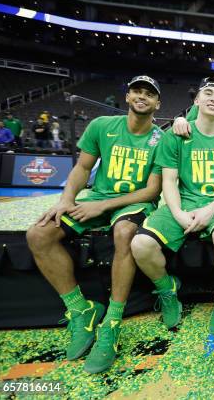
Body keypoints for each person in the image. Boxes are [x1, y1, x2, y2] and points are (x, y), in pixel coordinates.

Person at [25, 75, 164, 373]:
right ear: (127, 97)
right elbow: (83, 167)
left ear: (157, 103)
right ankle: (81, 310)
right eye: (137, 91)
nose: (142, 97)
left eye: (149, 94)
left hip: (133, 202)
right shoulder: (102, 126)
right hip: (97, 197)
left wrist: (101, 205)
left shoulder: (160, 140)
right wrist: (66, 200)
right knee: (38, 234)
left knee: (125, 232)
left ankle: (112, 323)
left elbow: (152, 191)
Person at [130, 78, 214, 336]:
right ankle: (167, 289)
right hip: (184, 201)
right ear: (197, 101)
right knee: (140, 245)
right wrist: (179, 214)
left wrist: (211, 210)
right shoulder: (177, 135)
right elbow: (169, 181)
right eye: (208, 93)